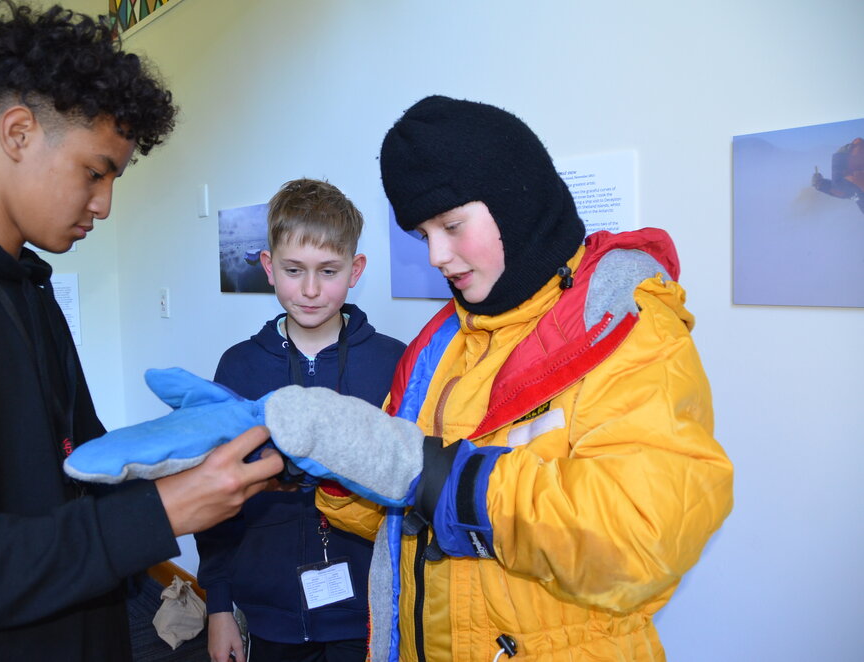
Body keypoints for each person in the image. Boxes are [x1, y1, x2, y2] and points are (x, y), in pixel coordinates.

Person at [0, 3, 282, 660]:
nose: (105, 206)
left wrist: (198, 462)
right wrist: (160, 514)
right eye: (95, 172)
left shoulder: (28, 287)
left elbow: (72, 479)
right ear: (19, 133)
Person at [264, 96, 734, 661]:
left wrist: (450, 481)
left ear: (516, 202)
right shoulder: (441, 344)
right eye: (422, 234)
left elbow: (643, 537)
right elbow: (401, 521)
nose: (437, 255)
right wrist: (332, 463)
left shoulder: (629, 328)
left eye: (451, 225)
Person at [197, 178, 407, 662]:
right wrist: (219, 606)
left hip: (369, 609)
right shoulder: (238, 367)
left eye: (328, 271)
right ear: (269, 268)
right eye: (294, 270)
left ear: (355, 270)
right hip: (270, 609)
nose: (310, 290)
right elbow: (216, 495)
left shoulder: (395, 363)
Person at [811, 137, 864, 215]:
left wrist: (820, 184)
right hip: (848, 157)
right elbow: (846, 190)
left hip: (848, 156)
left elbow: (847, 191)